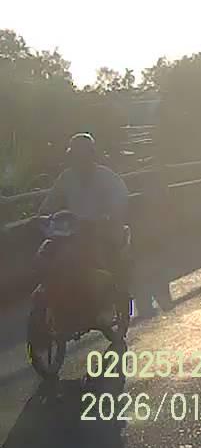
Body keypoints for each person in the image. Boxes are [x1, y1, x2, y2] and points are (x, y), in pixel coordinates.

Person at [37, 133, 132, 321]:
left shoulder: (107, 177)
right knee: (50, 255)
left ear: (91, 155)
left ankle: (111, 298)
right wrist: (40, 216)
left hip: (102, 232)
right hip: (73, 233)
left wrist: (108, 217)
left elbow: (121, 200)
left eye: (83, 155)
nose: (79, 159)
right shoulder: (66, 177)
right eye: (75, 155)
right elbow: (49, 203)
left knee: (106, 261)